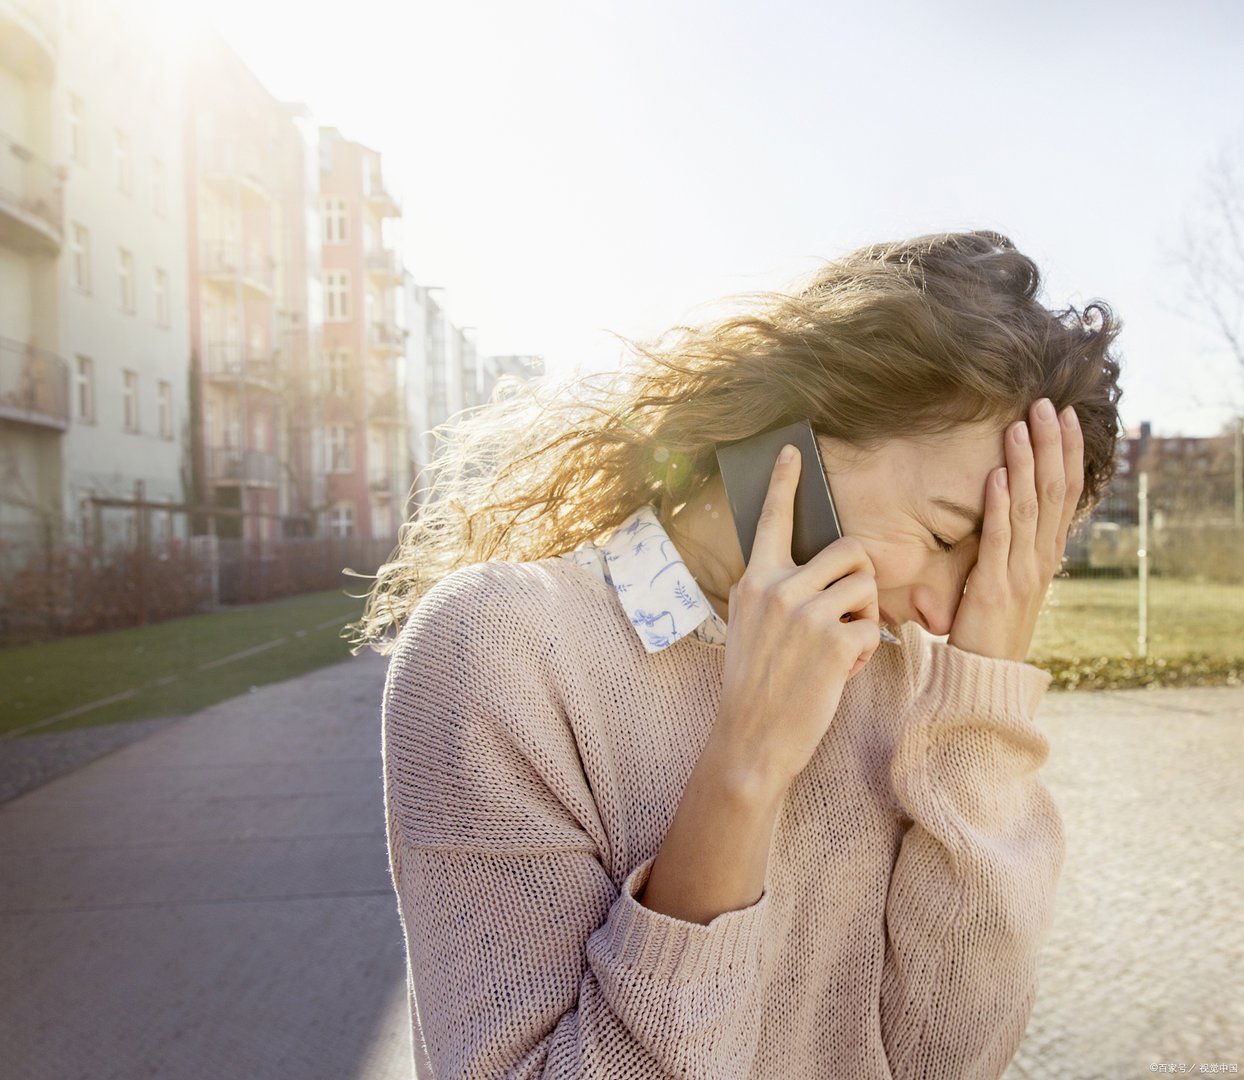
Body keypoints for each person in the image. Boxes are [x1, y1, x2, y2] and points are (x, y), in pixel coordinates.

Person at [345, 230, 1124, 1079]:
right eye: (943, 534)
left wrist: (984, 707)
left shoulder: (910, 683)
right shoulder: (503, 648)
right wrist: (745, 765)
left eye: (990, 568)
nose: (942, 613)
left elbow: (946, 1060)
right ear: (810, 413)